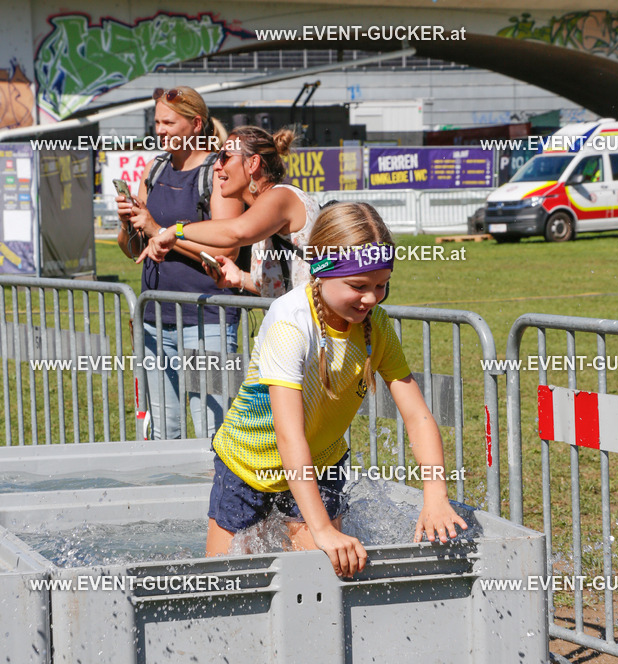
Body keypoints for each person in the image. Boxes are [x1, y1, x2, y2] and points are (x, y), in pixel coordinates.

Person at [204, 202, 468, 577]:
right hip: (249, 465)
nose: (372, 298)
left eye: (381, 285)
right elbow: (288, 435)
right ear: (320, 270)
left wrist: (436, 494)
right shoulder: (290, 323)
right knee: (225, 582)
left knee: (325, 577)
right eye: (359, 286)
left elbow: (418, 415)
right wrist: (323, 529)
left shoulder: (375, 324)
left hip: (322, 461)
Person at [116, 87, 244, 439]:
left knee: (212, 434)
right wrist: (129, 222)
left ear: (195, 124)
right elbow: (131, 250)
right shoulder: (155, 169)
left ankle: (214, 496)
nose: (159, 130)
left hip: (207, 320)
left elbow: (228, 254)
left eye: (168, 122)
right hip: (155, 319)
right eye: (156, 122)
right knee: (162, 433)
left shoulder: (218, 172)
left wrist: (160, 230)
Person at [137, 125, 319, 298]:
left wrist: (175, 231)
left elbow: (236, 232)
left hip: (311, 327)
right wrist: (239, 277)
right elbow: (287, 283)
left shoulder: (280, 196)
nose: (216, 166)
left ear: (253, 163)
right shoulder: (266, 205)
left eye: (225, 157)